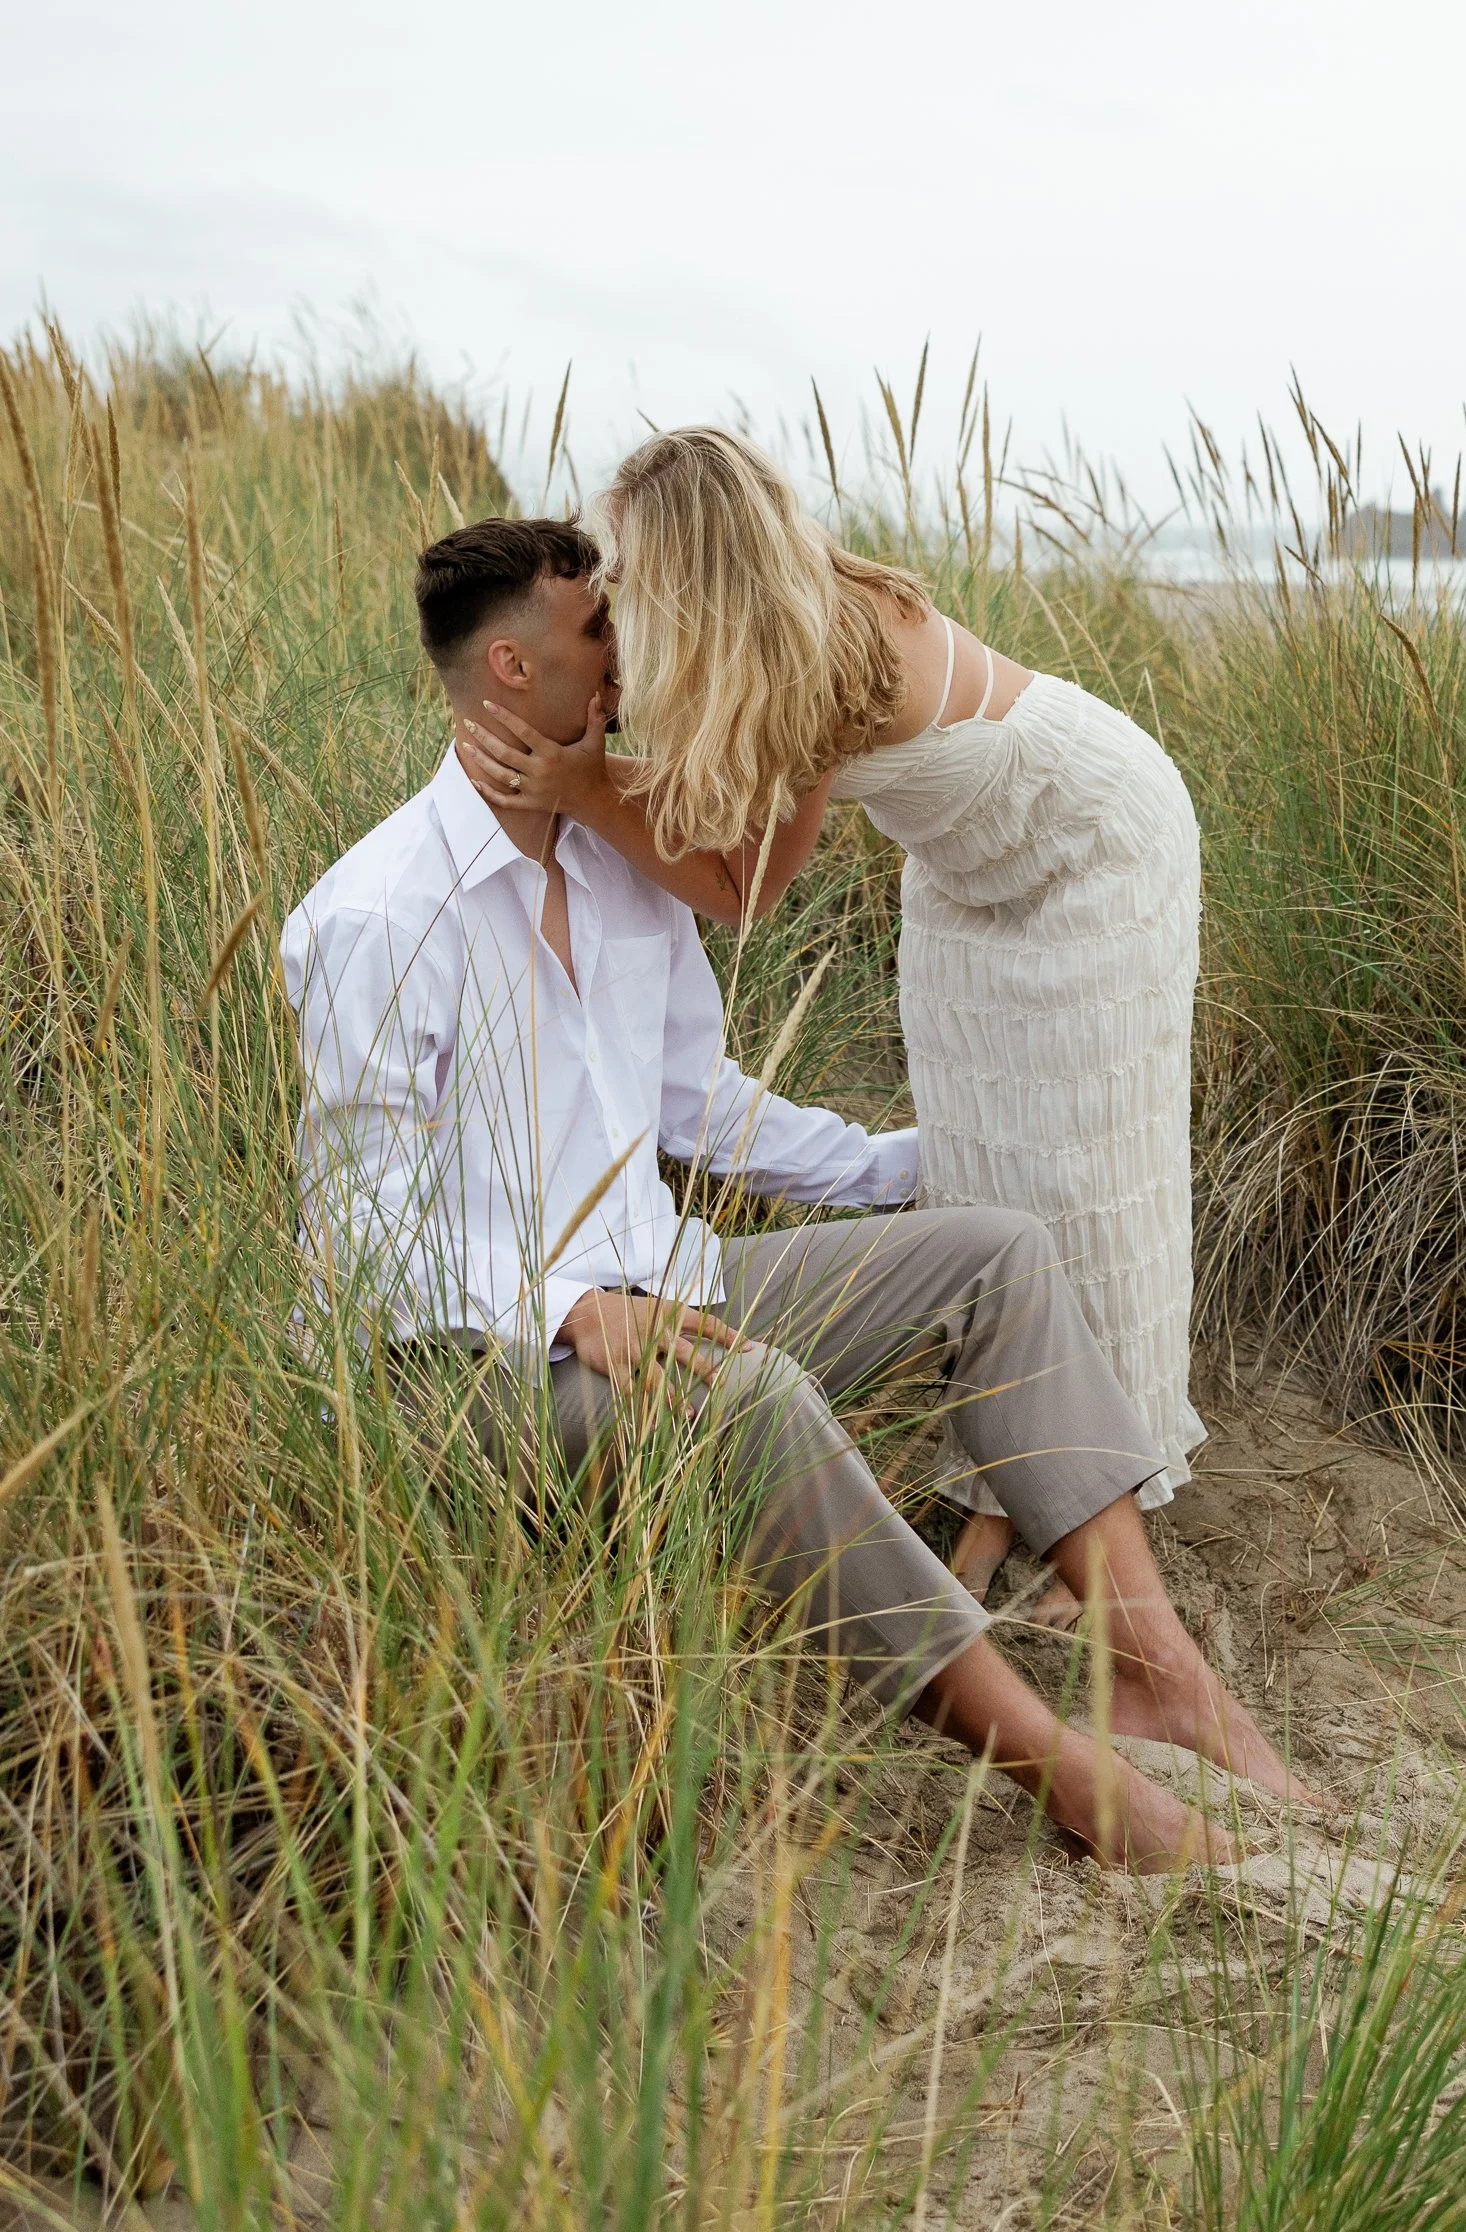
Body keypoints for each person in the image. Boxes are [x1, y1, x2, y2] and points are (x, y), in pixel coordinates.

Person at [282, 515, 1291, 1871]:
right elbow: (355, 1227)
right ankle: (1068, 1776)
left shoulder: (615, 861)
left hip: (669, 1290)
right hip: (466, 1367)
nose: (632, 647)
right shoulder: (376, 915)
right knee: (754, 1396)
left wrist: (908, 1164)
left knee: (993, 1251)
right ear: (513, 669)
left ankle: (1155, 1665)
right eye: (598, 628)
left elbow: (701, 1103)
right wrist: (562, 1304)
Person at [455, 427, 1206, 1625]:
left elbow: (741, 879)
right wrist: (582, 761)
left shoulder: (803, 648)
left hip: (1092, 844)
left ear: (699, 567)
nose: (621, 590)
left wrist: (584, 788)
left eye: (635, 569)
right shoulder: (745, 627)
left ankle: (1098, 1504)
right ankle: (1002, 1479)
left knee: (1084, 1163)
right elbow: (704, 799)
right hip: (966, 869)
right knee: (987, 1153)